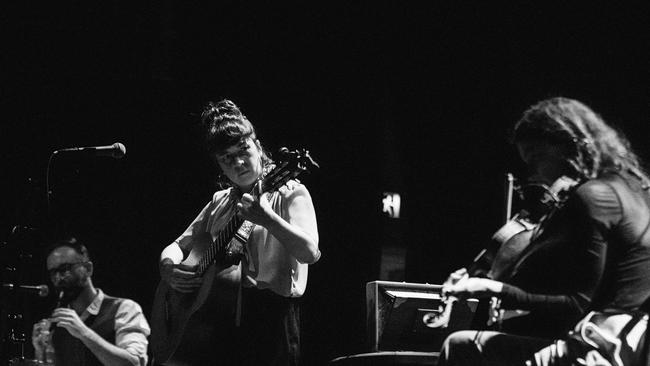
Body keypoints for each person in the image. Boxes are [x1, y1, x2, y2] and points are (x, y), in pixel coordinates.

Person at [437, 97, 650, 366]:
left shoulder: (594, 195)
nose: (535, 171)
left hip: (602, 349)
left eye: (537, 157)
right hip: (634, 344)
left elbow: (576, 304)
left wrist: (493, 288)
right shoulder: (637, 188)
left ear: (568, 144)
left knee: (460, 346)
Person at [157, 99, 320, 365]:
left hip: (270, 319)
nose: (239, 162)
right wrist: (167, 267)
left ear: (257, 146)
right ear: (219, 165)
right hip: (218, 319)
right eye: (227, 158)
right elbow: (177, 245)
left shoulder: (290, 192)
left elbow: (310, 252)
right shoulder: (220, 201)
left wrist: (268, 220)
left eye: (243, 149)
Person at [31, 237, 151, 366]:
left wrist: (84, 333)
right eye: (53, 272)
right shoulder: (58, 323)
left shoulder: (124, 308)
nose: (58, 278)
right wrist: (40, 351)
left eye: (65, 268)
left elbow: (134, 363)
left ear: (88, 268)